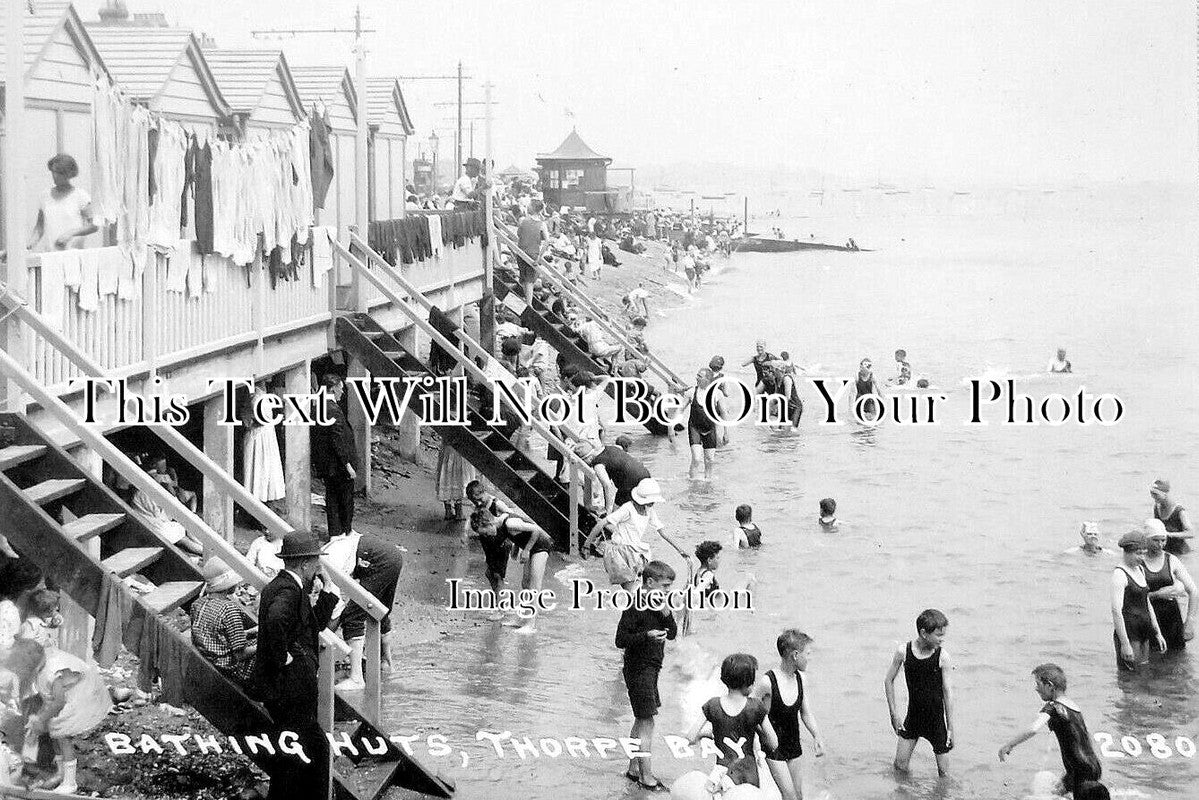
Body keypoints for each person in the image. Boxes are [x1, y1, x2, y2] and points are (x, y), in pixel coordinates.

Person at [247, 531, 338, 800]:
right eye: (316, 563)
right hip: (289, 688)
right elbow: (276, 621)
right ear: (306, 563)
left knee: (300, 751)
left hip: (286, 687)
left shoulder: (286, 586)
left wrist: (329, 590)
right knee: (306, 751)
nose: (319, 568)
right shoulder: (288, 590)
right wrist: (283, 657)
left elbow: (313, 626)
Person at [2, 640, 112, 793]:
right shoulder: (41, 667)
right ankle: (61, 771)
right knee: (53, 729)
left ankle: (70, 782)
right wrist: (40, 718)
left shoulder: (52, 672)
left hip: (83, 696)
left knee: (62, 734)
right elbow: (50, 700)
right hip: (68, 696)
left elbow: (59, 702)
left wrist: (41, 718)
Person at [616, 560, 678, 791]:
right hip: (638, 668)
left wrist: (667, 613)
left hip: (652, 669)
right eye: (664, 586)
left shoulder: (659, 603)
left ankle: (634, 768)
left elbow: (671, 634)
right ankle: (646, 776)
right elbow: (620, 640)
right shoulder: (635, 605)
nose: (667, 591)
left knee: (640, 719)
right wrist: (646, 635)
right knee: (647, 721)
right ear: (649, 582)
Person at [998, 664, 1102, 798]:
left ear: (1049, 686)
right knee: (1055, 792)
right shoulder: (1073, 706)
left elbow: (1033, 729)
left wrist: (1009, 745)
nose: (1036, 688)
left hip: (1079, 770)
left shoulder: (1053, 707)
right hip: (1091, 765)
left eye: (1038, 684)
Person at [685, 653, 778, 788]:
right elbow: (774, 743)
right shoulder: (756, 707)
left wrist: (706, 734)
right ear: (749, 684)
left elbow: (690, 737)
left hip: (722, 773)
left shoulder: (713, 705)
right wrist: (756, 728)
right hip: (749, 774)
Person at [752, 630, 826, 800]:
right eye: (808, 654)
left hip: (793, 746)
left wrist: (817, 735)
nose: (810, 658)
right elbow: (751, 711)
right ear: (795, 655)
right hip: (772, 749)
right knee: (790, 796)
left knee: (798, 796)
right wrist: (756, 743)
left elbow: (806, 713)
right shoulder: (767, 682)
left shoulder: (801, 679)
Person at [325, 530, 404, 686]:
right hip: (391, 554)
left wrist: (324, 635)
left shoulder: (326, 568)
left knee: (353, 615)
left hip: (375, 558)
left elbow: (336, 610)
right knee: (380, 609)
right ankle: (385, 662)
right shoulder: (327, 555)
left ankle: (356, 678)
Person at [884, 608, 955, 775]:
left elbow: (948, 692)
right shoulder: (904, 652)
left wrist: (950, 725)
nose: (942, 639)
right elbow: (888, 680)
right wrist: (893, 713)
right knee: (899, 767)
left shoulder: (942, 657)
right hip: (913, 718)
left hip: (936, 723)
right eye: (938, 635)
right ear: (924, 633)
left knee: (944, 775)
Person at [583, 478, 684, 592]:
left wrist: (680, 550)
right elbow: (602, 523)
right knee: (632, 589)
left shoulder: (649, 510)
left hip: (636, 552)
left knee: (644, 587)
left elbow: (661, 531)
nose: (653, 502)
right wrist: (587, 545)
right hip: (620, 553)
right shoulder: (628, 508)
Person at [471, 507, 553, 634]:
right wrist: (516, 548)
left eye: (486, 532)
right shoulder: (502, 524)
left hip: (541, 546)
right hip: (531, 547)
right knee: (525, 584)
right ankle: (522, 619)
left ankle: (531, 624)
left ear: (489, 523)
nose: (487, 536)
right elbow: (518, 535)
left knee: (534, 587)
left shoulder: (509, 523)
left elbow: (536, 529)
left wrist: (526, 550)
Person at [190, 558, 256, 682]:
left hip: (208, 655)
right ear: (228, 585)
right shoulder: (229, 609)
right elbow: (240, 655)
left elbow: (215, 634)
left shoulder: (197, 604)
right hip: (227, 665)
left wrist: (250, 631)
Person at [1111, 529, 1166, 671]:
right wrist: (1124, 643)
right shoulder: (1120, 574)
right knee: (1130, 676)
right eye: (1138, 553)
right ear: (1127, 552)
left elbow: (1147, 603)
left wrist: (1157, 632)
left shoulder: (1140, 570)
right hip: (1130, 632)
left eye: (1144, 553)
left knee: (1144, 672)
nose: (1142, 557)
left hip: (1144, 630)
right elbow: (1116, 611)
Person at [312, 374, 358, 541]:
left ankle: (336, 532)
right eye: (340, 388)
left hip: (327, 463)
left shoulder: (320, 406)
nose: (342, 392)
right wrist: (347, 465)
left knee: (332, 497)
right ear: (332, 388)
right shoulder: (331, 409)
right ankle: (346, 531)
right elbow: (337, 439)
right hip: (337, 464)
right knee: (344, 499)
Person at [1142, 518, 1197, 651]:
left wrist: (1190, 620)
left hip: (1171, 619)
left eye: (1163, 540)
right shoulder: (1139, 562)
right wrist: (1157, 594)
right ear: (1146, 540)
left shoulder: (1171, 560)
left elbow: (1193, 591)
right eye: (1156, 540)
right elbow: (1131, 597)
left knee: (1178, 660)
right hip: (1147, 618)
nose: (1160, 544)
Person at [29, 154, 98, 252]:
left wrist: (70, 233)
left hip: (72, 254)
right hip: (50, 254)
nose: (55, 176)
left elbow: (94, 225)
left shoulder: (80, 196)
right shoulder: (44, 196)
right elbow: (39, 228)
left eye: (59, 173)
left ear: (69, 174)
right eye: (53, 172)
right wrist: (29, 246)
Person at [129, 477, 205, 557]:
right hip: (151, 525)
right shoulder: (143, 494)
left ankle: (206, 548)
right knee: (184, 539)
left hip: (159, 522)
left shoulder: (154, 492)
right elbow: (158, 515)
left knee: (187, 529)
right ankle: (205, 552)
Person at [573, 439, 651, 514]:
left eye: (584, 462)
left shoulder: (598, 465)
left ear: (589, 458)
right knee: (640, 506)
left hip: (630, 483)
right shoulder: (611, 448)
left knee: (615, 511)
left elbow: (607, 486)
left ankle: (610, 522)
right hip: (645, 474)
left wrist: (607, 509)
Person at [682, 368, 720, 480]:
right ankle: (692, 483)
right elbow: (680, 409)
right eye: (697, 375)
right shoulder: (690, 392)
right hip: (695, 428)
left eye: (699, 376)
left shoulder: (716, 393)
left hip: (710, 429)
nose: (696, 378)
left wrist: (726, 432)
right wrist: (671, 426)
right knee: (697, 458)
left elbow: (723, 413)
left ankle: (708, 482)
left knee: (710, 460)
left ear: (707, 379)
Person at [435, 438, 476, 524]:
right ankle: (459, 512)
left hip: (447, 448)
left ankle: (448, 510)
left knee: (446, 478)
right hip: (460, 450)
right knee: (459, 479)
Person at [516, 199, 548, 302]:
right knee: (529, 281)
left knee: (524, 280)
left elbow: (519, 234)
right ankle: (529, 303)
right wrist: (539, 256)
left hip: (521, 251)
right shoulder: (542, 224)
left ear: (532, 208)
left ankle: (528, 303)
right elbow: (546, 241)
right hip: (533, 253)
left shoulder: (523, 220)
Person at [1150, 478, 1193, 555]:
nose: (1153, 497)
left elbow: (1190, 533)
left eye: (1156, 494)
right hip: (1165, 550)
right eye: (1152, 493)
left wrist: (1169, 534)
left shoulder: (1179, 511)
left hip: (1180, 552)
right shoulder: (1157, 507)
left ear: (1164, 494)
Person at [849, 358, 884, 423]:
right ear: (860, 367)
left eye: (868, 367)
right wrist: (851, 408)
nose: (863, 369)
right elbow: (852, 394)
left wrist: (882, 406)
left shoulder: (873, 376)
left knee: (873, 419)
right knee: (859, 421)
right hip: (859, 400)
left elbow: (879, 391)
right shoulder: (856, 376)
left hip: (869, 401)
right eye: (861, 367)